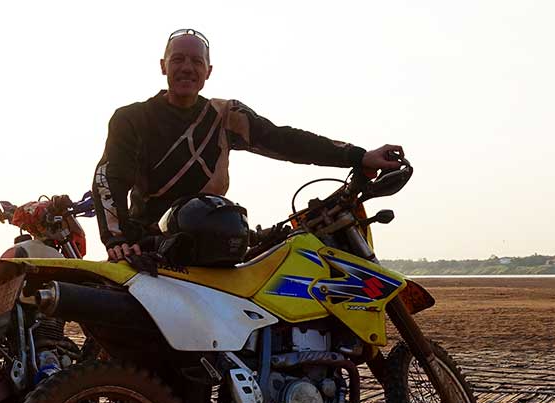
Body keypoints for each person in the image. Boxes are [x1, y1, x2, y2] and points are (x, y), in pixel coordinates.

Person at [92, 28, 405, 262]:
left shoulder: (224, 115)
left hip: (213, 240)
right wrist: (118, 240)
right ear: (163, 66)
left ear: (208, 71)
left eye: (196, 61)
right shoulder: (131, 119)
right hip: (151, 242)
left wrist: (359, 156)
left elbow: (285, 140)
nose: (187, 67)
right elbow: (110, 178)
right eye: (178, 59)